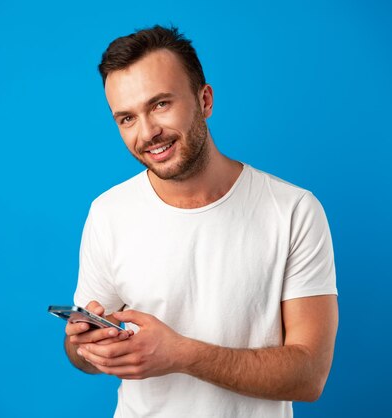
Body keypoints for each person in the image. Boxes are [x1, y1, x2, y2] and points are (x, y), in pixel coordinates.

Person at [63, 25, 338, 417]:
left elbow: (309, 375)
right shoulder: (108, 213)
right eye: (126, 118)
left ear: (204, 100)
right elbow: (82, 355)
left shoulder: (293, 210)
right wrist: (84, 345)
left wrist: (181, 354)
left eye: (160, 104)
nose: (148, 133)